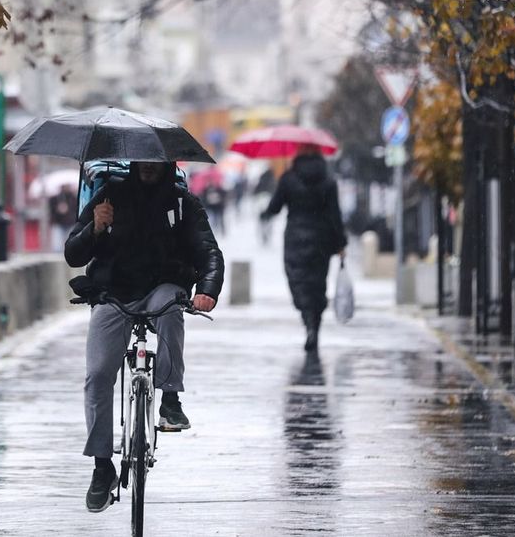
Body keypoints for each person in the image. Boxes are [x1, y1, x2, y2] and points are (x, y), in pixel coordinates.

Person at [64, 160, 225, 513]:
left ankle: (170, 401)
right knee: (97, 375)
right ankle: (102, 467)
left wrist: (207, 289)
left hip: (162, 288)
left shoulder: (183, 204)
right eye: (144, 162)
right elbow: (73, 254)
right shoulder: (109, 196)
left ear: (166, 164)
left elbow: (209, 252)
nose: (149, 168)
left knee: (171, 307)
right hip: (113, 293)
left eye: (157, 162)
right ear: (136, 162)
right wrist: (94, 227)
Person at [261, 144, 347, 352]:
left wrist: (265, 213)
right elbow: (335, 216)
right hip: (321, 239)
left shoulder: (289, 178)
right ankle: (314, 326)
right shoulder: (328, 181)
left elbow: (275, 207)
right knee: (318, 284)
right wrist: (341, 244)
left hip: (295, 239)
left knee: (298, 281)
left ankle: (307, 320)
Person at [48, 184, 78, 249]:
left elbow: (76, 210)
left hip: (70, 223)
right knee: (57, 245)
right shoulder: (55, 198)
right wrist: (58, 210)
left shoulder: (73, 198)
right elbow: (51, 210)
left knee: (70, 244)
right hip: (58, 223)